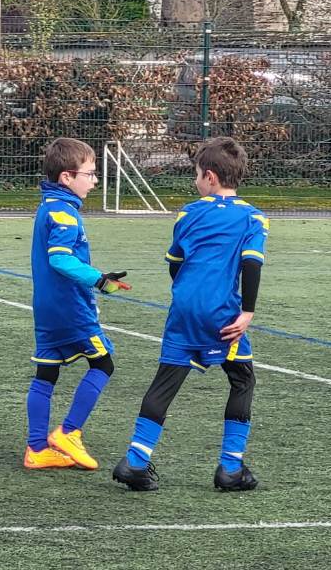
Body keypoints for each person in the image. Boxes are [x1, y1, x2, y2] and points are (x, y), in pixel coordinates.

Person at [112, 136, 269, 491]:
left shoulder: (188, 213)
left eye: (196, 174)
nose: (196, 180)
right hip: (220, 312)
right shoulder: (252, 217)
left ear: (209, 177)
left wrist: (188, 293)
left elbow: (175, 263)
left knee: (166, 380)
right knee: (242, 379)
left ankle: (135, 462)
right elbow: (251, 264)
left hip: (183, 309)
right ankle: (231, 468)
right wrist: (247, 311)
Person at [24, 137, 131, 470]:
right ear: (66, 177)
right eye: (90, 174)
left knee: (46, 373)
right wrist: (99, 279)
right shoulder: (64, 212)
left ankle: (37, 448)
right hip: (70, 308)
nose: (94, 181)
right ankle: (69, 432)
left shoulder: (48, 206)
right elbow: (60, 259)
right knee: (103, 364)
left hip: (47, 307)